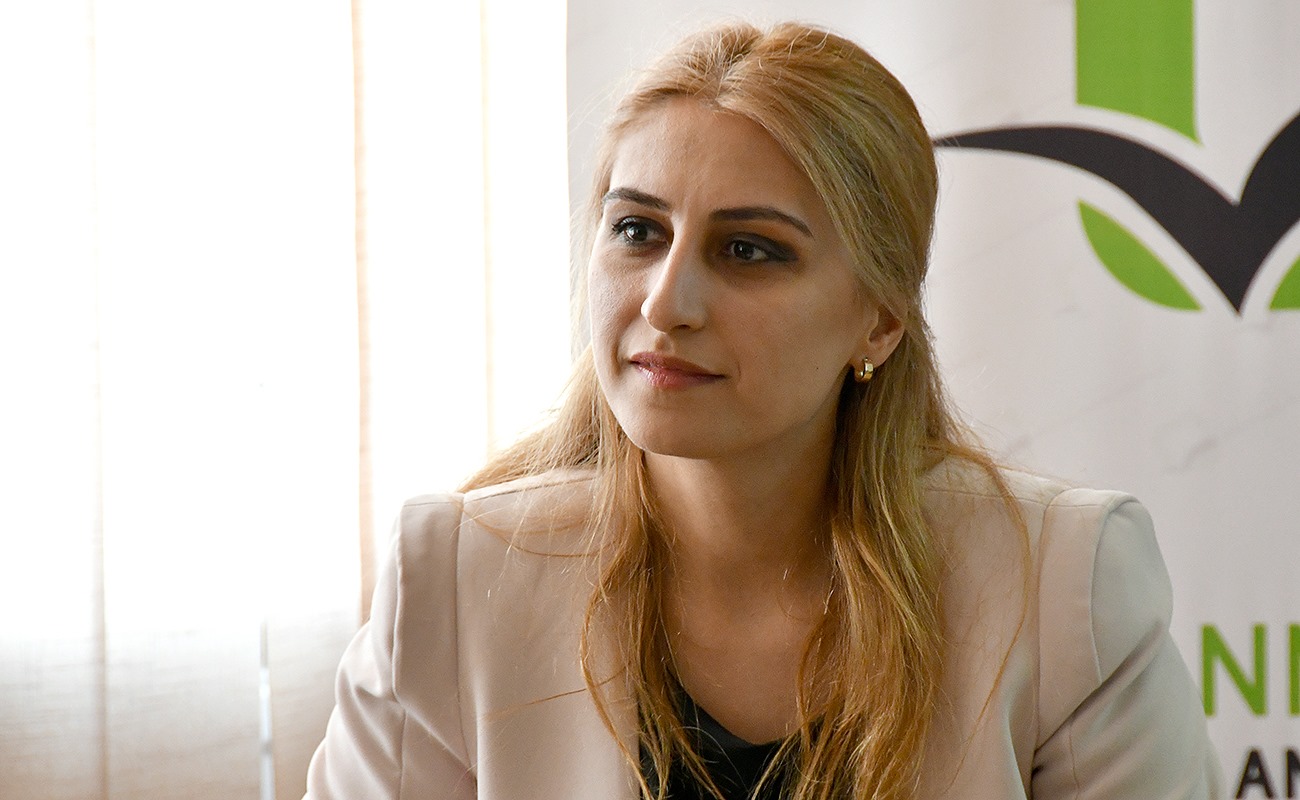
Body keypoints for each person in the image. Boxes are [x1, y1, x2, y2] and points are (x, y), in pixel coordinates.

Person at [303, 20, 1221, 800]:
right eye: (637, 231)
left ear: (880, 320)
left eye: (748, 249)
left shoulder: (1062, 587)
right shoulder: (453, 584)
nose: (666, 302)